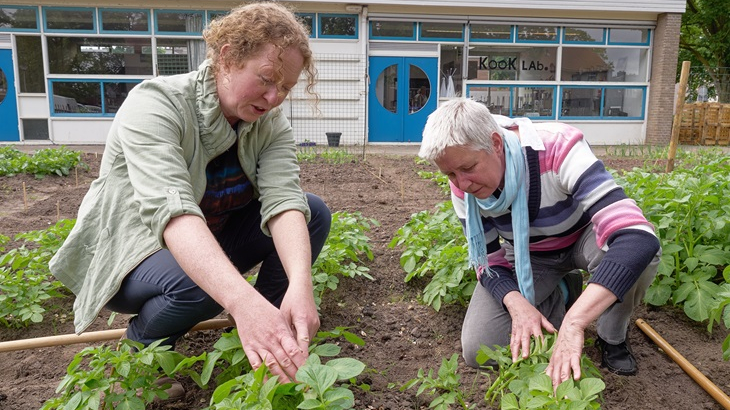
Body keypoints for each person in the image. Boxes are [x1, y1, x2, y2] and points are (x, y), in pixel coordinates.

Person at [49, 1, 331, 394]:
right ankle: (141, 353)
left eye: (285, 86)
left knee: (311, 211)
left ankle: (269, 336)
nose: (273, 97)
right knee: (203, 283)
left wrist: (300, 285)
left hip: (206, 242)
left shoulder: (269, 123)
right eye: (267, 78)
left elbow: (283, 200)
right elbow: (174, 214)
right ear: (229, 57)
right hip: (131, 255)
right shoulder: (156, 104)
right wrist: (239, 298)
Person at [418, 98, 660, 387]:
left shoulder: (558, 147)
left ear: (495, 143)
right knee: (480, 349)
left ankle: (612, 336)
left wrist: (575, 323)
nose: (462, 184)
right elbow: (489, 261)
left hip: (583, 239)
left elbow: (637, 236)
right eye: (450, 174)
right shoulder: (463, 187)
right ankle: (563, 292)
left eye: (467, 168)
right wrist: (516, 303)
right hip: (528, 255)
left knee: (641, 255)